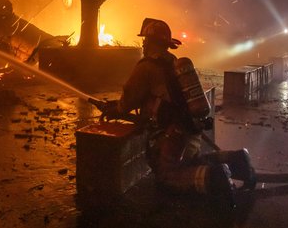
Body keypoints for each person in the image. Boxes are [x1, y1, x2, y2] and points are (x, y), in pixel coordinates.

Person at [100, 18, 255, 205]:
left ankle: (215, 179)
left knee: (167, 177)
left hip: (172, 134)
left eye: (145, 40)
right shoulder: (174, 63)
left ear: (149, 42)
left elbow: (128, 101)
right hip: (191, 128)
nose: (143, 44)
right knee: (193, 161)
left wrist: (115, 109)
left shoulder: (146, 67)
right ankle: (238, 161)